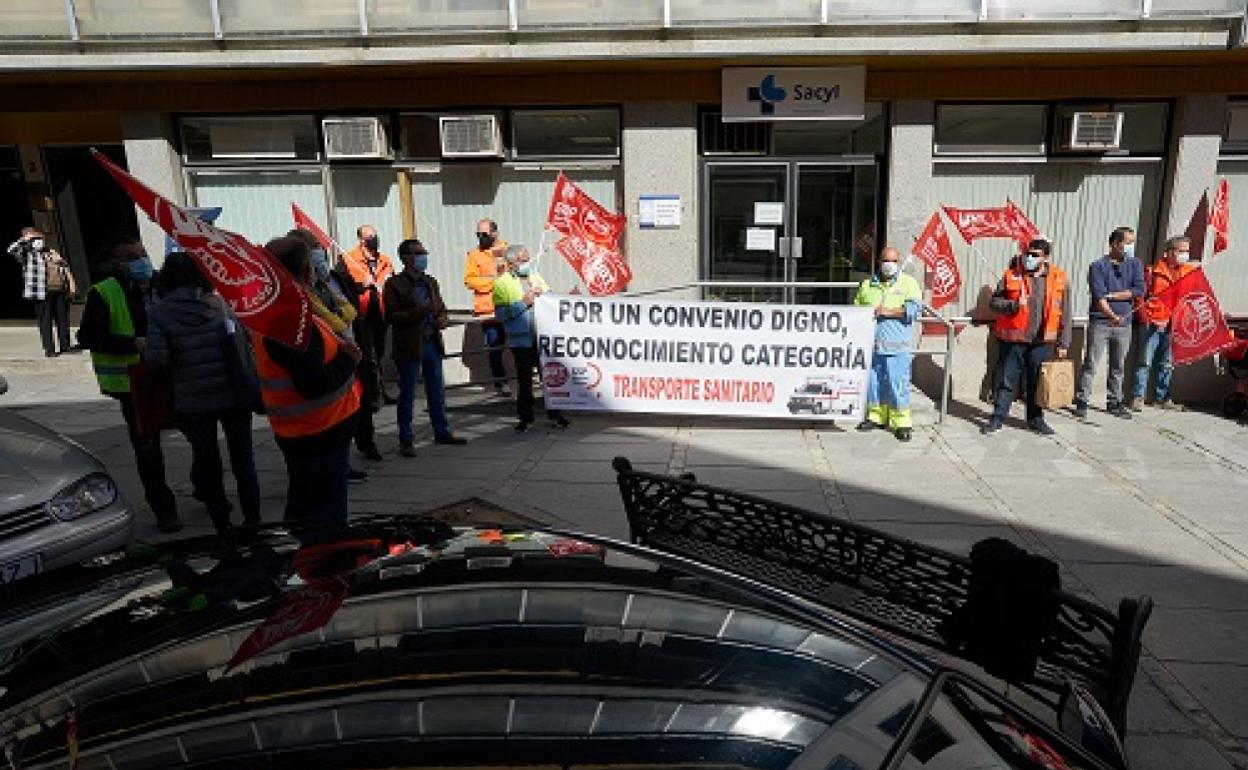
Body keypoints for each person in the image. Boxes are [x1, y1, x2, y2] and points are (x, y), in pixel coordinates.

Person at [144, 252, 261, 533]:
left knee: (208, 461)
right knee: (243, 459)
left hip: (193, 398)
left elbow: (157, 361)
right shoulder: (219, 304)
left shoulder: (160, 312)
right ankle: (253, 520)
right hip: (233, 394)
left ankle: (222, 522)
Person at [77, 237, 181, 532]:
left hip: (173, 374)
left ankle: (203, 484)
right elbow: (87, 337)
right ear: (118, 264)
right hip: (134, 382)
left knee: (198, 432)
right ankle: (164, 507)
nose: (141, 261)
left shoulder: (165, 284)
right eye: (132, 257)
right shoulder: (105, 292)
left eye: (144, 254)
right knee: (148, 447)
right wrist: (130, 343)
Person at [257, 236, 363, 526]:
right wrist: (349, 359)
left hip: (305, 432)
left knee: (306, 506)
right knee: (324, 518)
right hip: (317, 433)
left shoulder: (278, 311)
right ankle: (323, 566)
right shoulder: (293, 321)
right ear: (307, 271)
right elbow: (313, 384)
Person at [385, 239, 467, 456]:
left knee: (436, 390)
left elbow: (440, 307)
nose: (423, 257)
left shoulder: (430, 281)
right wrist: (419, 311)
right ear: (406, 258)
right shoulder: (394, 284)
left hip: (431, 341)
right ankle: (406, 438)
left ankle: (441, 431)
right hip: (410, 344)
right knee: (408, 393)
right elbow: (392, 316)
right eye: (418, 253)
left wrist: (442, 318)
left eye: (423, 252)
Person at [983, 239, 1073, 436]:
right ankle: (997, 418)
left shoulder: (1059, 278)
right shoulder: (1012, 275)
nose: (1029, 258)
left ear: (1046, 258)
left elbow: (1066, 312)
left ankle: (1035, 420)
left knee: (1035, 383)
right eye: (1028, 254)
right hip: (1014, 340)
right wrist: (1014, 305)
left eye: (1035, 255)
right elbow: (994, 303)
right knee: (1007, 381)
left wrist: (1064, 341)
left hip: (1042, 342)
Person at [494, 244, 568, 432]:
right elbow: (501, 315)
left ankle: (555, 415)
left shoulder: (535, 276)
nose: (528, 262)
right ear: (512, 262)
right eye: (524, 259)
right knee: (525, 380)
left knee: (549, 378)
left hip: (541, 337)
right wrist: (523, 303)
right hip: (521, 341)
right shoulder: (502, 283)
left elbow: (550, 297)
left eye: (528, 258)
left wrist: (545, 295)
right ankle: (525, 418)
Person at [853, 246, 923, 442]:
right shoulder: (867, 285)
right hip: (872, 346)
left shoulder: (908, 283)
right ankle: (876, 417)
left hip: (897, 347)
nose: (889, 265)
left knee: (897, 384)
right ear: (879, 262)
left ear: (898, 263)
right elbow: (857, 310)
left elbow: (914, 310)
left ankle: (901, 423)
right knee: (874, 384)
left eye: (893, 261)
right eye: (885, 261)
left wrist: (887, 311)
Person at [1074, 227, 1144, 420]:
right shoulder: (1098, 266)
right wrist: (1111, 314)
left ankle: (1115, 401)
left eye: (1132, 242)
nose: (1130, 247)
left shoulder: (1135, 264)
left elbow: (1138, 289)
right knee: (1091, 363)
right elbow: (1099, 295)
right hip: (1101, 322)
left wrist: (1113, 295)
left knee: (1118, 365)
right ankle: (1082, 400)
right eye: (1127, 242)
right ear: (1114, 243)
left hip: (1125, 324)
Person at [340, 224, 394, 460]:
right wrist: (364, 286)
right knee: (368, 358)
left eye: (375, 236)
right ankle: (373, 394)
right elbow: (347, 288)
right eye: (369, 237)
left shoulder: (384, 259)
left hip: (380, 312)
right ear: (360, 240)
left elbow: (390, 280)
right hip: (361, 316)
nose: (374, 240)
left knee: (380, 354)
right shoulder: (349, 259)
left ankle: (381, 389)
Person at [1131, 235, 1197, 412]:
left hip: (1173, 325)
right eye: (1181, 250)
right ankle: (1138, 397)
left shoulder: (1189, 272)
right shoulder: (1152, 272)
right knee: (1144, 362)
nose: (1185, 254)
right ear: (1169, 252)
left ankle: (1162, 398)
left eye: (1187, 251)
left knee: (1166, 363)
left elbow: (1191, 299)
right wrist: (1145, 319)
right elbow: (1140, 298)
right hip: (1152, 324)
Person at [9, 227, 75, 357]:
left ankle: (65, 345)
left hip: (59, 290)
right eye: (35, 238)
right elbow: (11, 250)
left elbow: (64, 267)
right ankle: (49, 349)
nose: (39, 241)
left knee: (62, 319)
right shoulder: (27, 254)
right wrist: (24, 240)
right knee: (45, 321)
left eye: (39, 238)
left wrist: (71, 284)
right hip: (42, 292)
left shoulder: (51, 252)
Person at [464, 218, 511, 397]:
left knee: (517, 342)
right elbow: (469, 280)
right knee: (494, 345)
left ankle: (522, 377)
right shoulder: (474, 255)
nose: (480, 238)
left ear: (494, 233)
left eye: (484, 234)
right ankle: (500, 381)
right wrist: (491, 282)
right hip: (488, 308)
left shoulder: (506, 251)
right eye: (478, 234)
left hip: (509, 305)